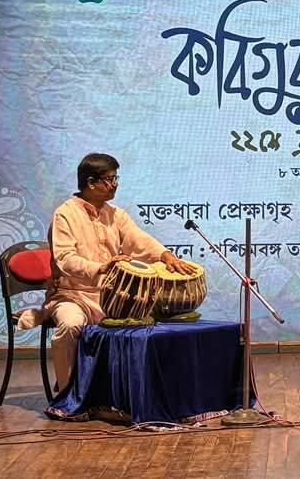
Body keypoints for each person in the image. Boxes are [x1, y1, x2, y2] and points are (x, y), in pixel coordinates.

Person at [42, 153, 194, 389]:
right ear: (91, 182)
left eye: (116, 178)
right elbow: (65, 259)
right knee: (70, 325)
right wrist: (100, 267)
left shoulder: (115, 214)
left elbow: (138, 239)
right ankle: (68, 395)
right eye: (110, 179)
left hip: (109, 297)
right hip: (72, 295)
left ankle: (126, 393)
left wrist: (165, 255)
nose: (115, 184)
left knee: (149, 323)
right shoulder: (65, 214)